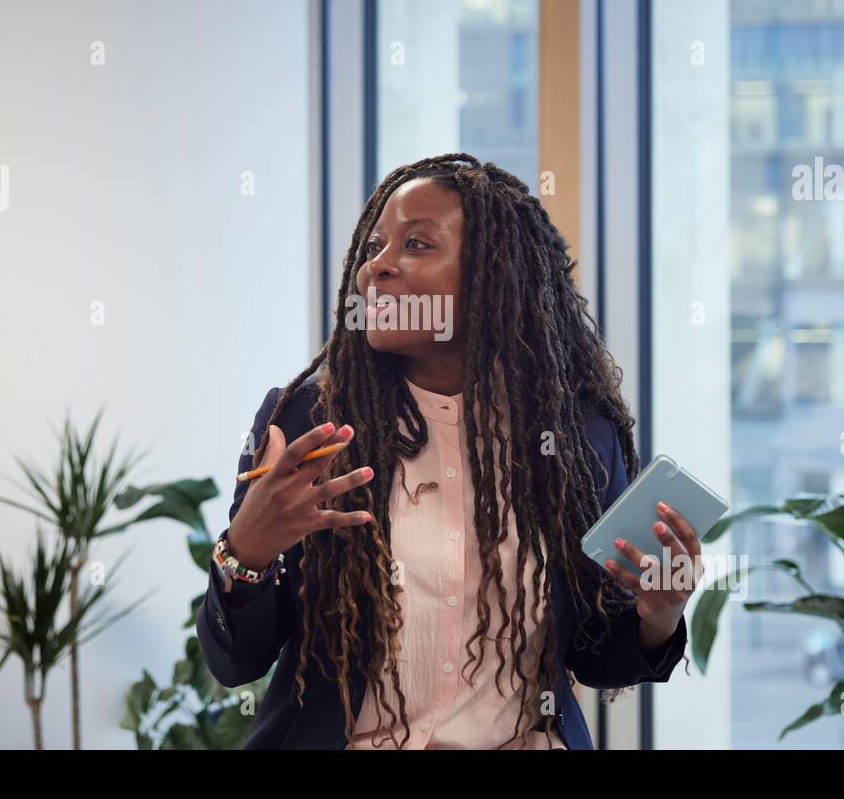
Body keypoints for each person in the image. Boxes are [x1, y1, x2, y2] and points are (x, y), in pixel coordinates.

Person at [199, 152, 701, 749]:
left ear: (495, 277)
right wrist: (246, 552)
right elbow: (236, 663)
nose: (375, 269)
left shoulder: (578, 437)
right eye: (374, 247)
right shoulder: (309, 422)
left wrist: (659, 614)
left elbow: (595, 655)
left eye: (416, 244)